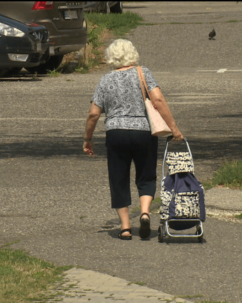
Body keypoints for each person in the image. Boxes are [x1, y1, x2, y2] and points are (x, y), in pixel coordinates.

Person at [83, 39, 183, 240]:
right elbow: (158, 100)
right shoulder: (143, 73)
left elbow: (94, 113)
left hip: (116, 133)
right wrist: (174, 128)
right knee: (146, 175)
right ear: (132, 54)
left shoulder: (105, 80)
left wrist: (88, 138)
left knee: (118, 178)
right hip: (143, 132)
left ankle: (126, 227)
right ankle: (145, 213)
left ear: (111, 57)